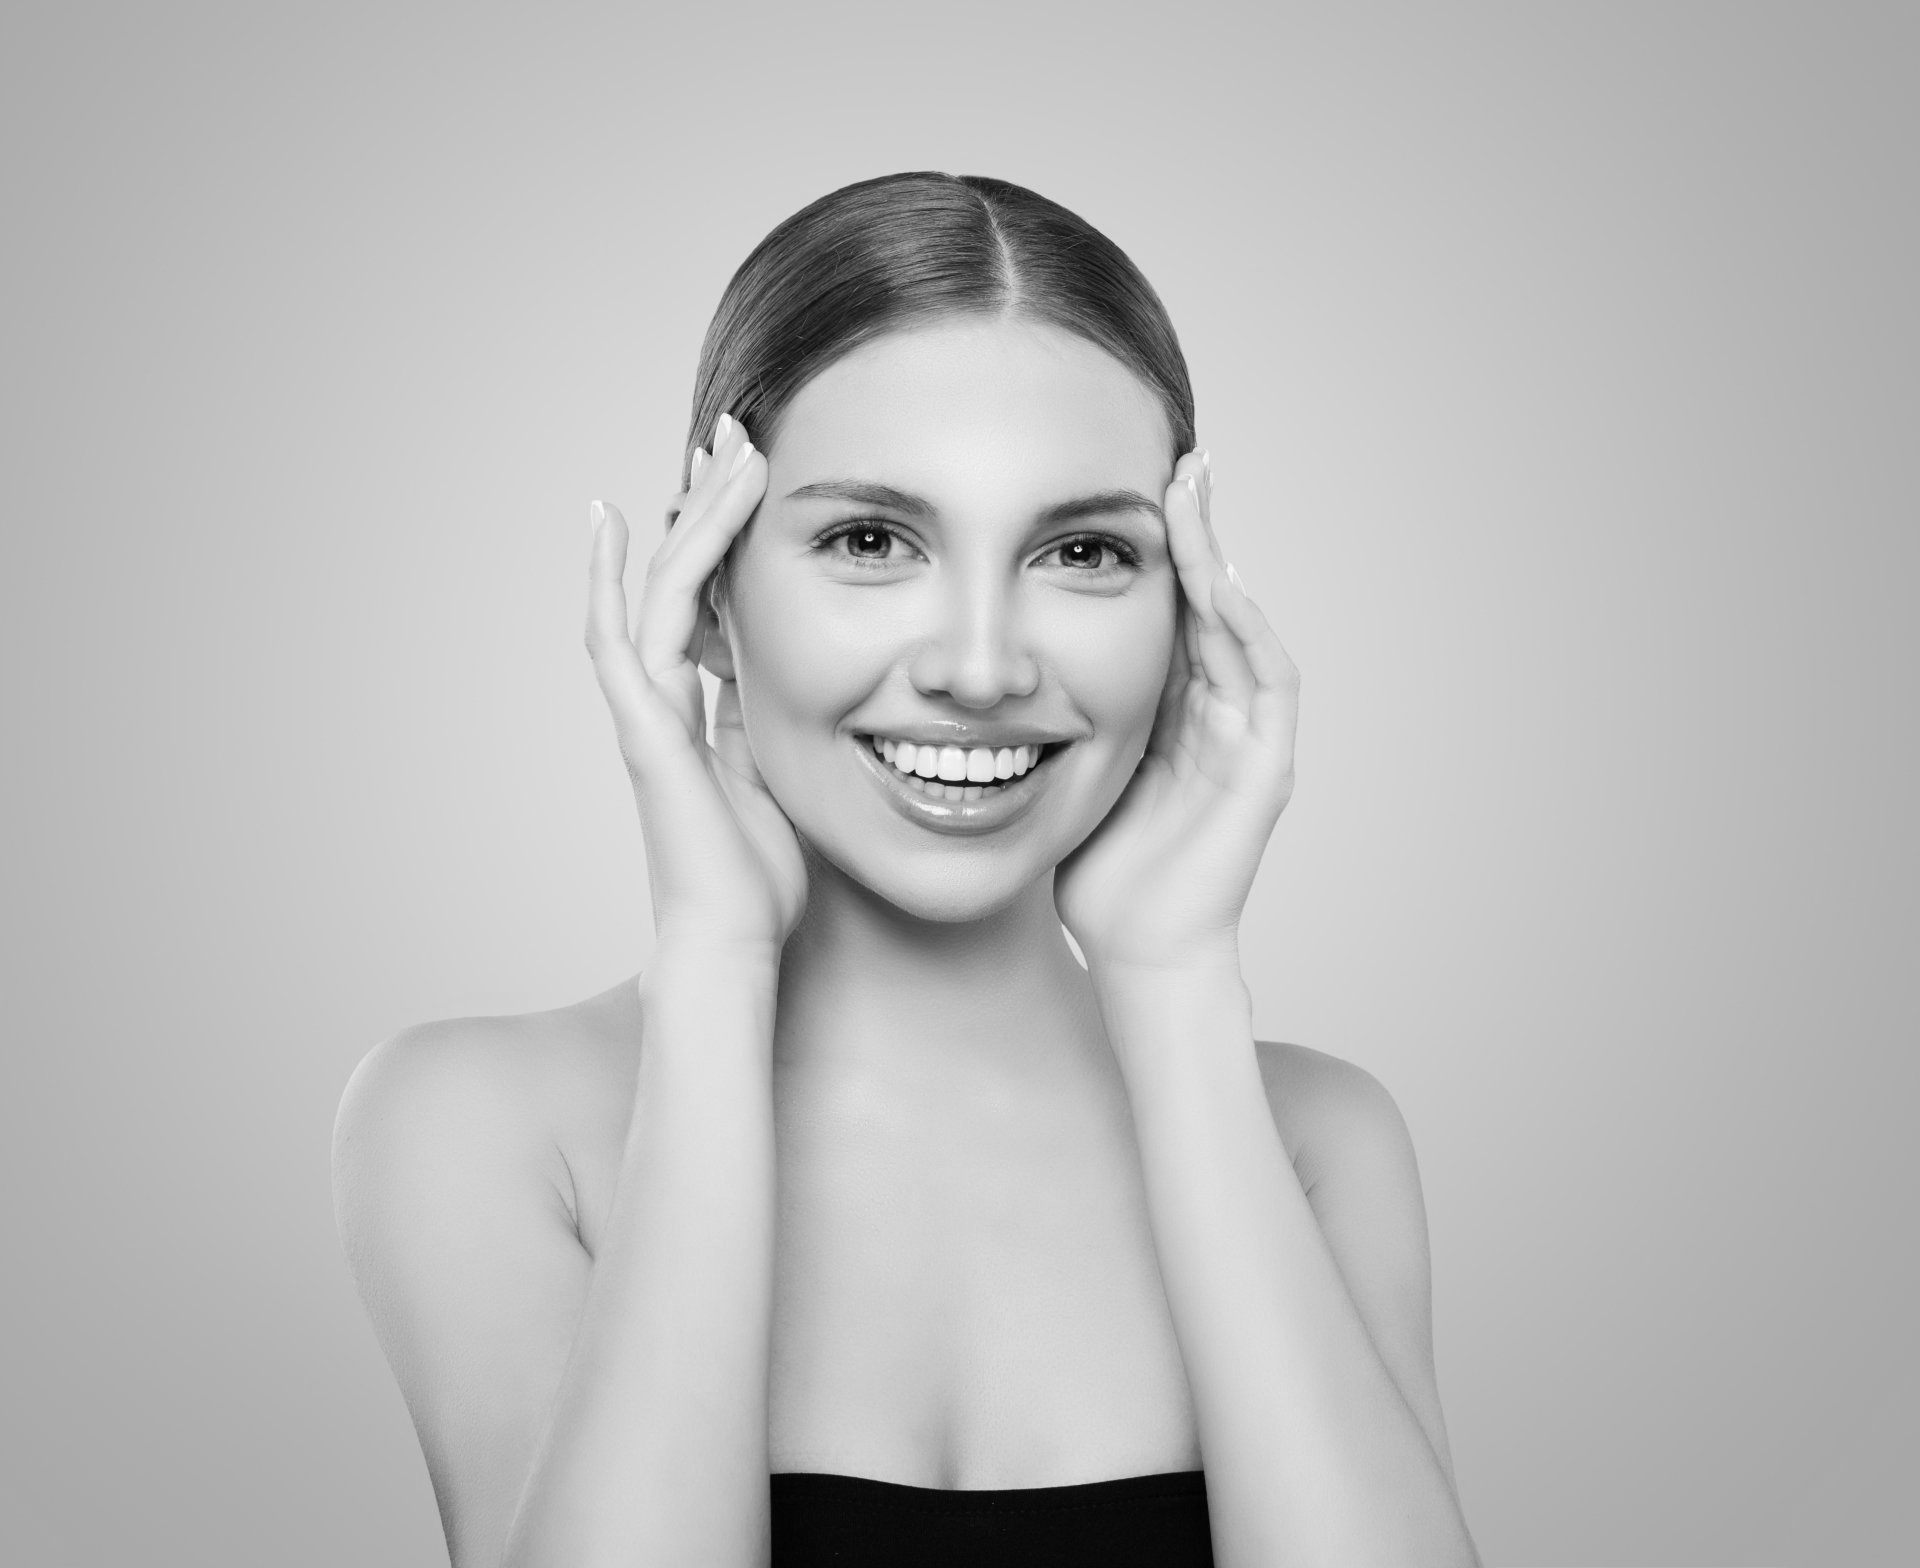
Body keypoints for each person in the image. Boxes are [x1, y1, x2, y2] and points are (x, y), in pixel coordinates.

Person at [332, 171, 1481, 1568]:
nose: (982, 668)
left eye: (1083, 551)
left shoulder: (1316, 1142)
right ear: (706, 598)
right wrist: (714, 962)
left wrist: (1176, 982)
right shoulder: (485, 1126)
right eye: (871, 542)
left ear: (1183, 615)